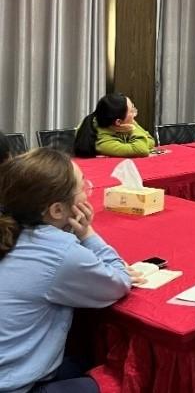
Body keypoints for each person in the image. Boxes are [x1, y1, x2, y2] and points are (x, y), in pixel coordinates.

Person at [0, 149, 134, 393]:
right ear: (57, 211)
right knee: (118, 380)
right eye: (83, 186)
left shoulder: (12, 230)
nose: (87, 191)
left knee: (80, 360)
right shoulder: (59, 252)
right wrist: (87, 233)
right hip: (13, 385)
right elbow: (119, 282)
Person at [74, 93, 156, 158]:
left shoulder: (122, 121)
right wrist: (133, 130)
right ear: (118, 122)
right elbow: (141, 150)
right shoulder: (102, 142)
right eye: (132, 111)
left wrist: (131, 145)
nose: (135, 113)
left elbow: (151, 140)